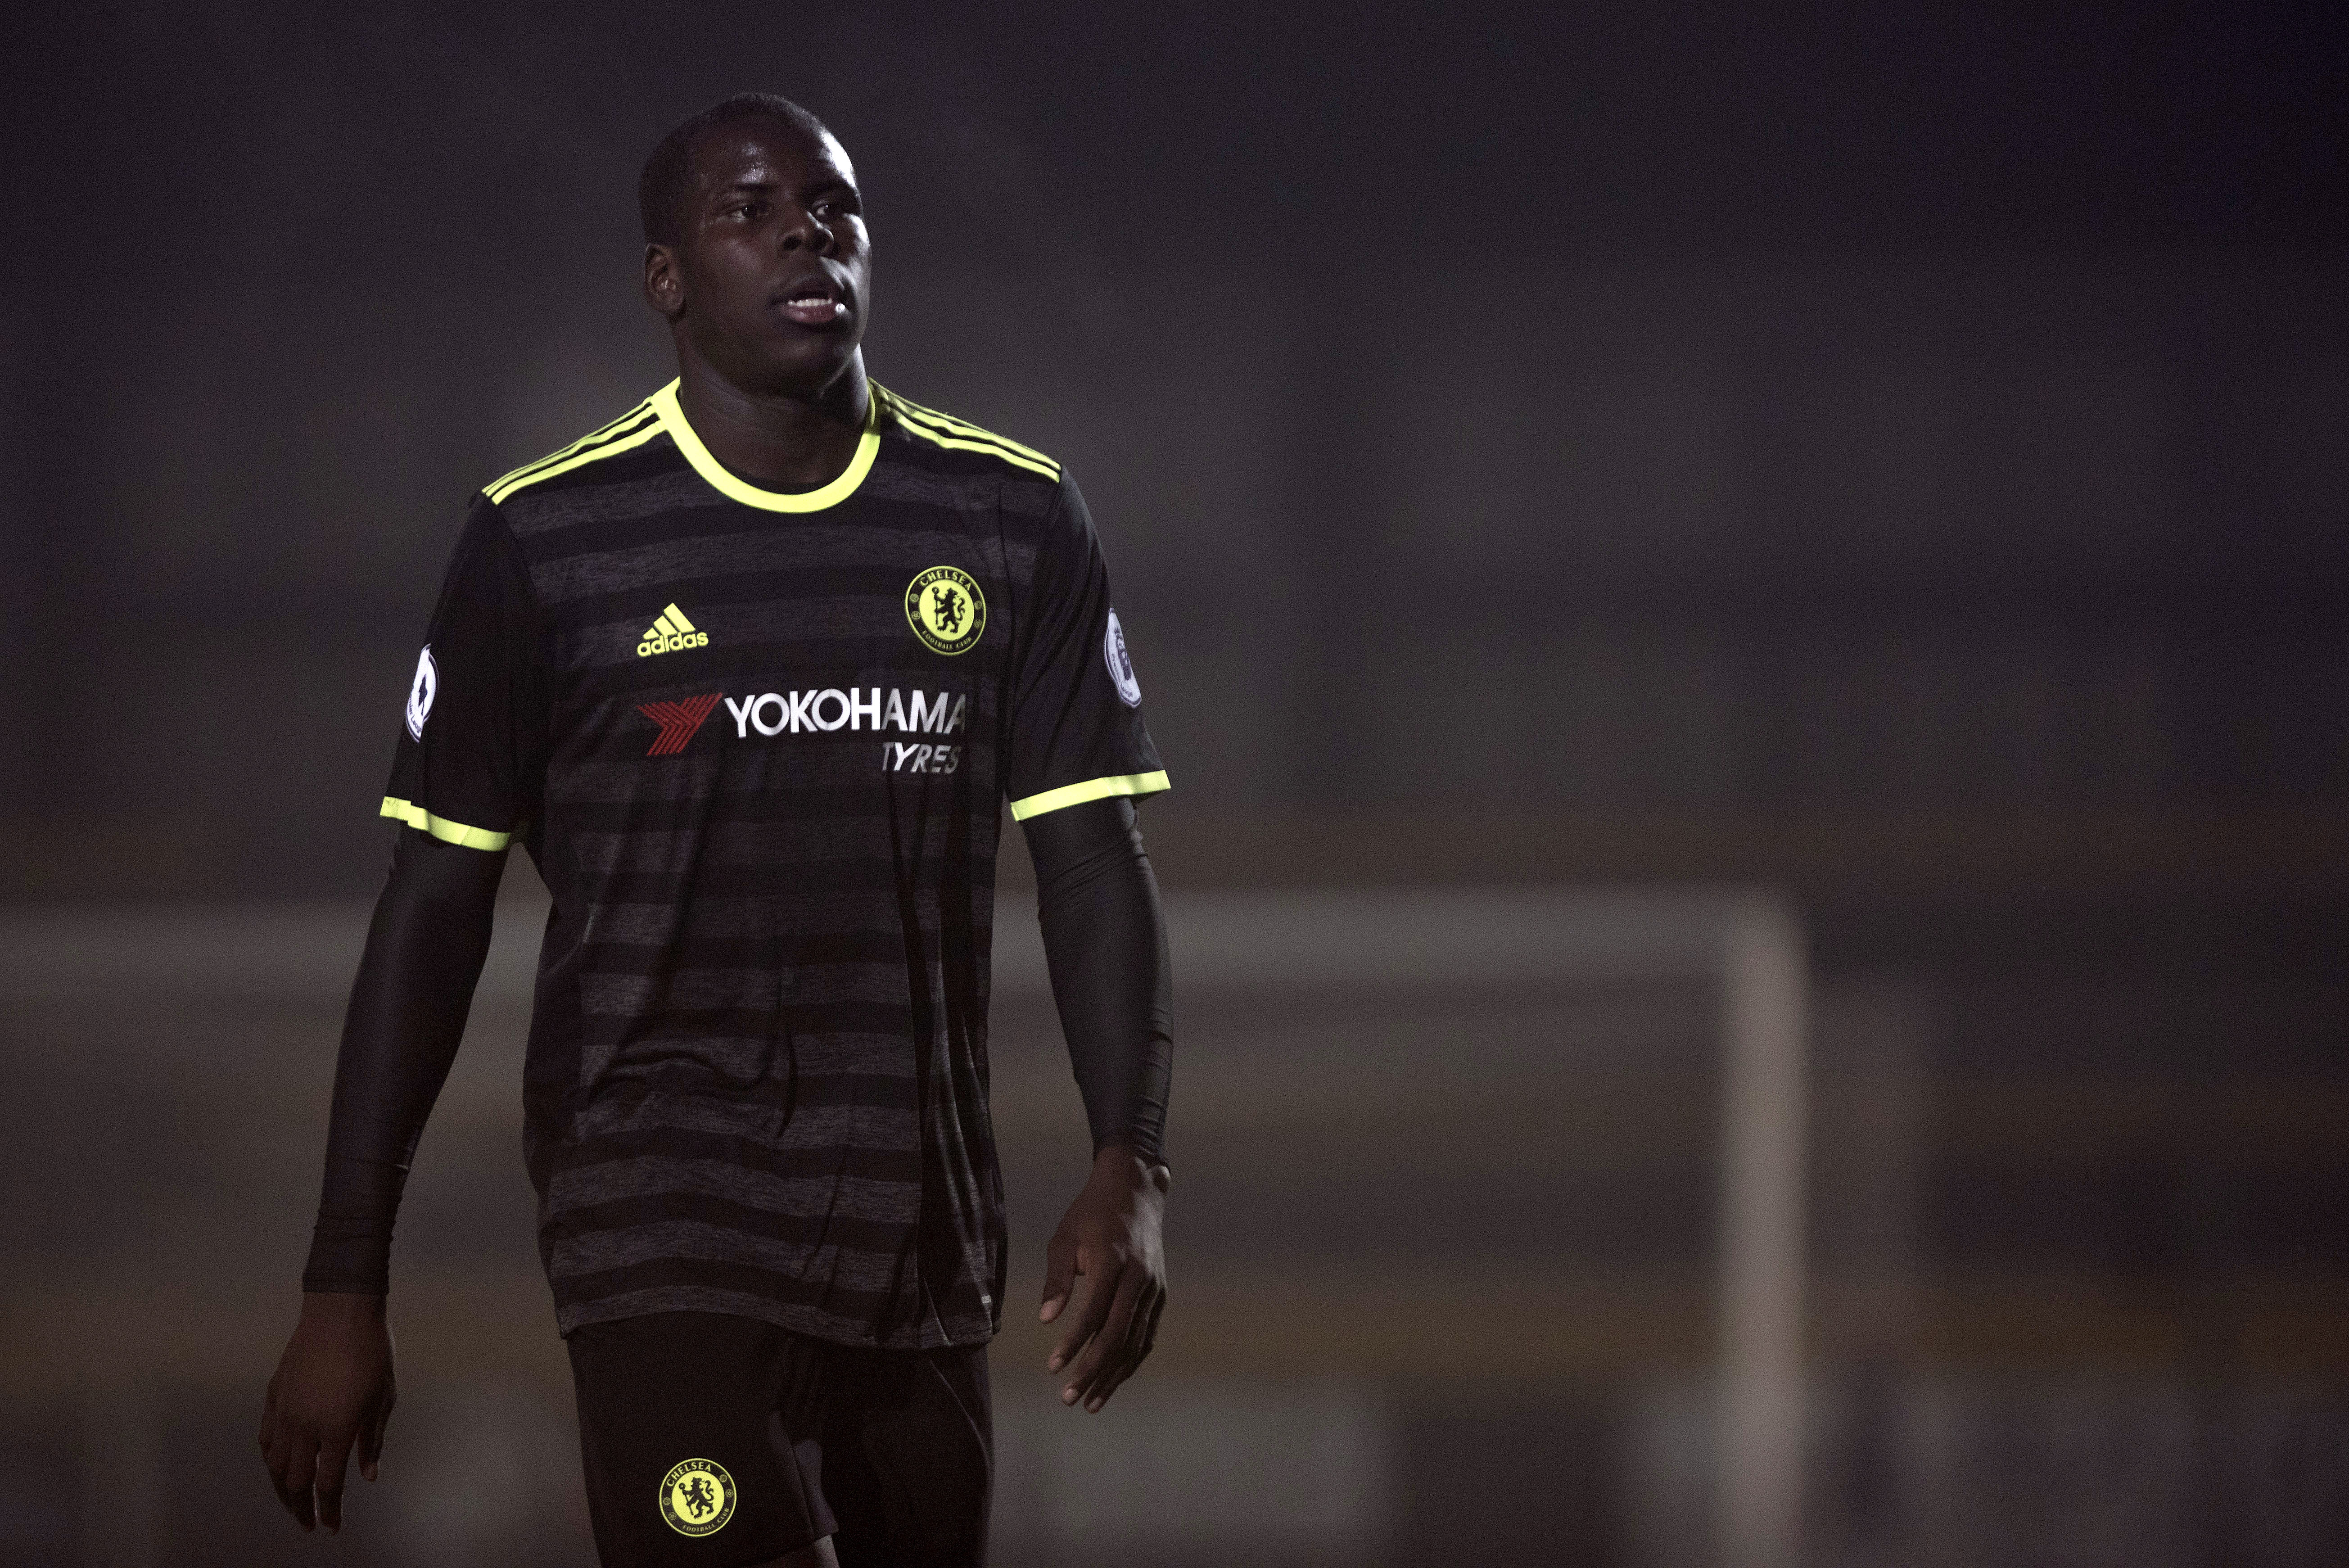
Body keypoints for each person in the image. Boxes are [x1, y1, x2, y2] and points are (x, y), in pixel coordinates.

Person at [258, 92, 1174, 1568]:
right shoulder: (545, 541)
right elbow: (427, 911)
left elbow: (1090, 864)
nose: (809, 228)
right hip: (659, 1225)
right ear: (666, 280)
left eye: (835, 205)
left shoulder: (1009, 518)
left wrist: (1133, 1159)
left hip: (923, 1245)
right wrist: (341, 1282)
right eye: (752, 208)